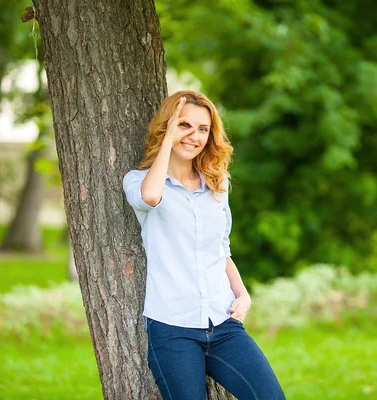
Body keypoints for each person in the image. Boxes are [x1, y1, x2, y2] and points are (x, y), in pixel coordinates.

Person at [122, 90, 286, 400]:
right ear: (167, 127)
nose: (194, 136)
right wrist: (169, 142)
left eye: (203, 129)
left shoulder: (217, 183)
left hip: (223, 324)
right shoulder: (139, 180)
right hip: (173, 330)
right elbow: (151, 197)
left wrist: (242, 294)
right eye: (184, 125)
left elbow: (219, 249)